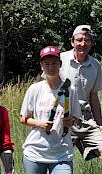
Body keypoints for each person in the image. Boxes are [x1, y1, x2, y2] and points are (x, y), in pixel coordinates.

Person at [60, 25, 102, 174]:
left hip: (85, 120)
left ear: (91, 43)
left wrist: (100, 126)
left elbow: (94, 98)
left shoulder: (95, 65)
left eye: (87, 40)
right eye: (79, 40)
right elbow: (48, 89)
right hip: (63, 118)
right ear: (72, 42)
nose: (83, 44)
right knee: (59, 160)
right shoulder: (60, 60)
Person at [19, 45, 81, 174]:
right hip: (35, 152)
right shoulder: (35, 89)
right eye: (46, 64)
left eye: (54, 63)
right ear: (42, 66)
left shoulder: (70, 89)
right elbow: (23, 118)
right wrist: (39, 123)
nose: (51, 67)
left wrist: (71, 121)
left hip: (62, 153)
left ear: (60, 64)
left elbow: (76, 117)